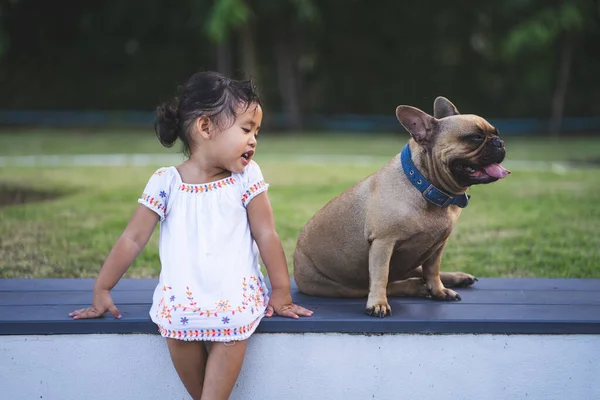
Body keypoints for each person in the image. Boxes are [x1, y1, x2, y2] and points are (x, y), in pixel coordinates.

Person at [69, 71, 313, 399]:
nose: (254, 139)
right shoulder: (166, 182)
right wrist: (102, 288)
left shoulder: (246, 178)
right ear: (205, 127)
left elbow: (266, 234)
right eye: (246, 129)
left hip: (234, 302)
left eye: (256, 131)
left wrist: (281, 291)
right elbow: (132, 238)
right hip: (180, 305)